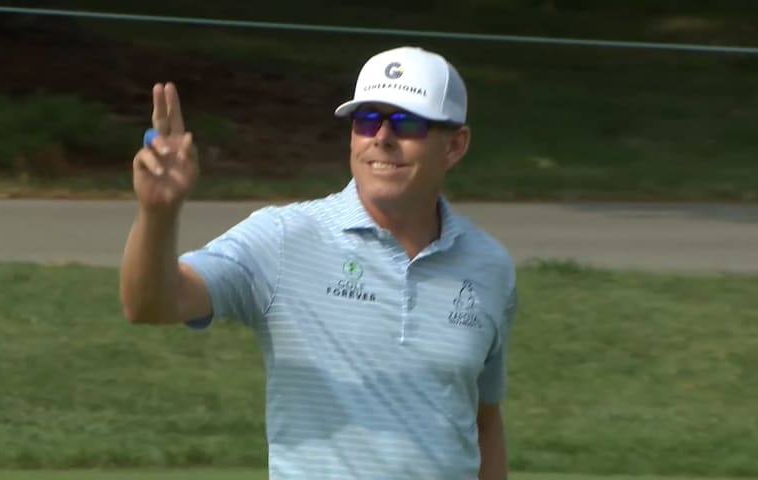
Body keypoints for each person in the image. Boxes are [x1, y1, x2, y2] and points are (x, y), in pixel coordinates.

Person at [120, 45, 518, 480]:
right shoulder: (285, 237)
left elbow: (481, 417)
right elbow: (151, 305)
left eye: (407, 123)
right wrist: (158, 214)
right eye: (367, 120)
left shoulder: (488, 265)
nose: (382, 137)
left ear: (455, 145)